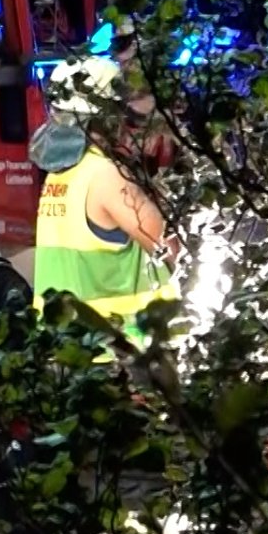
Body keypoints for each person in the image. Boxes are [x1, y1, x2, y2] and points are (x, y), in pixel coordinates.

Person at [29, 56, 178, 345]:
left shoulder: (62, 174)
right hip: (117, 359)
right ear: (108, 117)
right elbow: (170, 249)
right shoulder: (108, 175)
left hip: (68, 354)